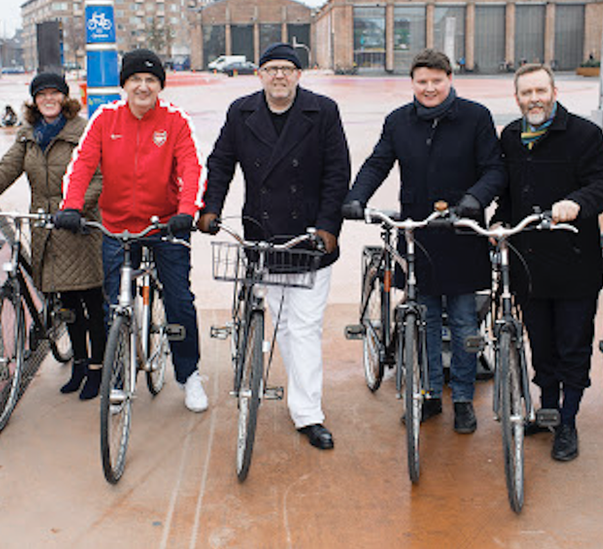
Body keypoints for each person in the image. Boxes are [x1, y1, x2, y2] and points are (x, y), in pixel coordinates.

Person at [343, 48, 506, 434]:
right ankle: (431, 394)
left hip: (464, 232)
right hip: (419, 234)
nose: (429, 88)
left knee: (466, 322)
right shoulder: (399, 121)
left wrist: (473, 201)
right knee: (426, 320)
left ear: (450, 79)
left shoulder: (475, 117)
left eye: (437, 80)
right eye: (422, 81)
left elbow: (495, 169)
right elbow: (378, 162)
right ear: (412, 83)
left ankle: (463, 399)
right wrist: (355, 197)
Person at [197, 43, 350, 450]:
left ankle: (308, 414)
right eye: (271, 68)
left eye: (287, 68)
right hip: (261, 232)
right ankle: (293, 392)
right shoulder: (241, 111)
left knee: (303, 327)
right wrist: (210, 208)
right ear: (259, 74)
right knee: (283, 322)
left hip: (309, 238)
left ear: (299, 74)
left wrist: (329, 226)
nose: (279, 75)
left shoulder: (323, 111)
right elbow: (221, 162)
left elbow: (338, 172)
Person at [57, 49, 208, 412]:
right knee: (115, 306)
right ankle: (121, 377)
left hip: (166, 225)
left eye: (151, 80)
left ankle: (189, 375)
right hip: (117, 226)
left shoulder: (175, 120)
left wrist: (187, 211)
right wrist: (71, 206)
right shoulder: (105, 119)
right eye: (136, 80)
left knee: (179, 301)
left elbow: (191, 167)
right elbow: (82, 165)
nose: (143, 86)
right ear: (124, 84)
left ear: (160, 86)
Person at [493, 64, 603, 461]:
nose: (534, 98)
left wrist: (577, 203)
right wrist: (499, 219)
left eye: (540, 91)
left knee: (571, 346)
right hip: (528, 264)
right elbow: (509, 194)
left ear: (554, 91)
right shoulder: (512, 136)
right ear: (517, 98)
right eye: (526, 92)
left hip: (573, 265)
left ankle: (567, 421)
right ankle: (547, 411)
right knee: (541, 345)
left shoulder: (584, 134)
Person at [0, 72, 107, 400]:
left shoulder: (83, 131)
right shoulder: (28, 136)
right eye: (42, 95)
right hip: (46, 229)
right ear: (34, 100)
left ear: (65, 98)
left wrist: (76, 208)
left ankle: (97, 369)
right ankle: (79, 363)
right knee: (67, 303)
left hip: (79, 228)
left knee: (92, 302)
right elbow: (5, 169)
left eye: (55, 94)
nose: (48, 99)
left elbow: (99, 175)